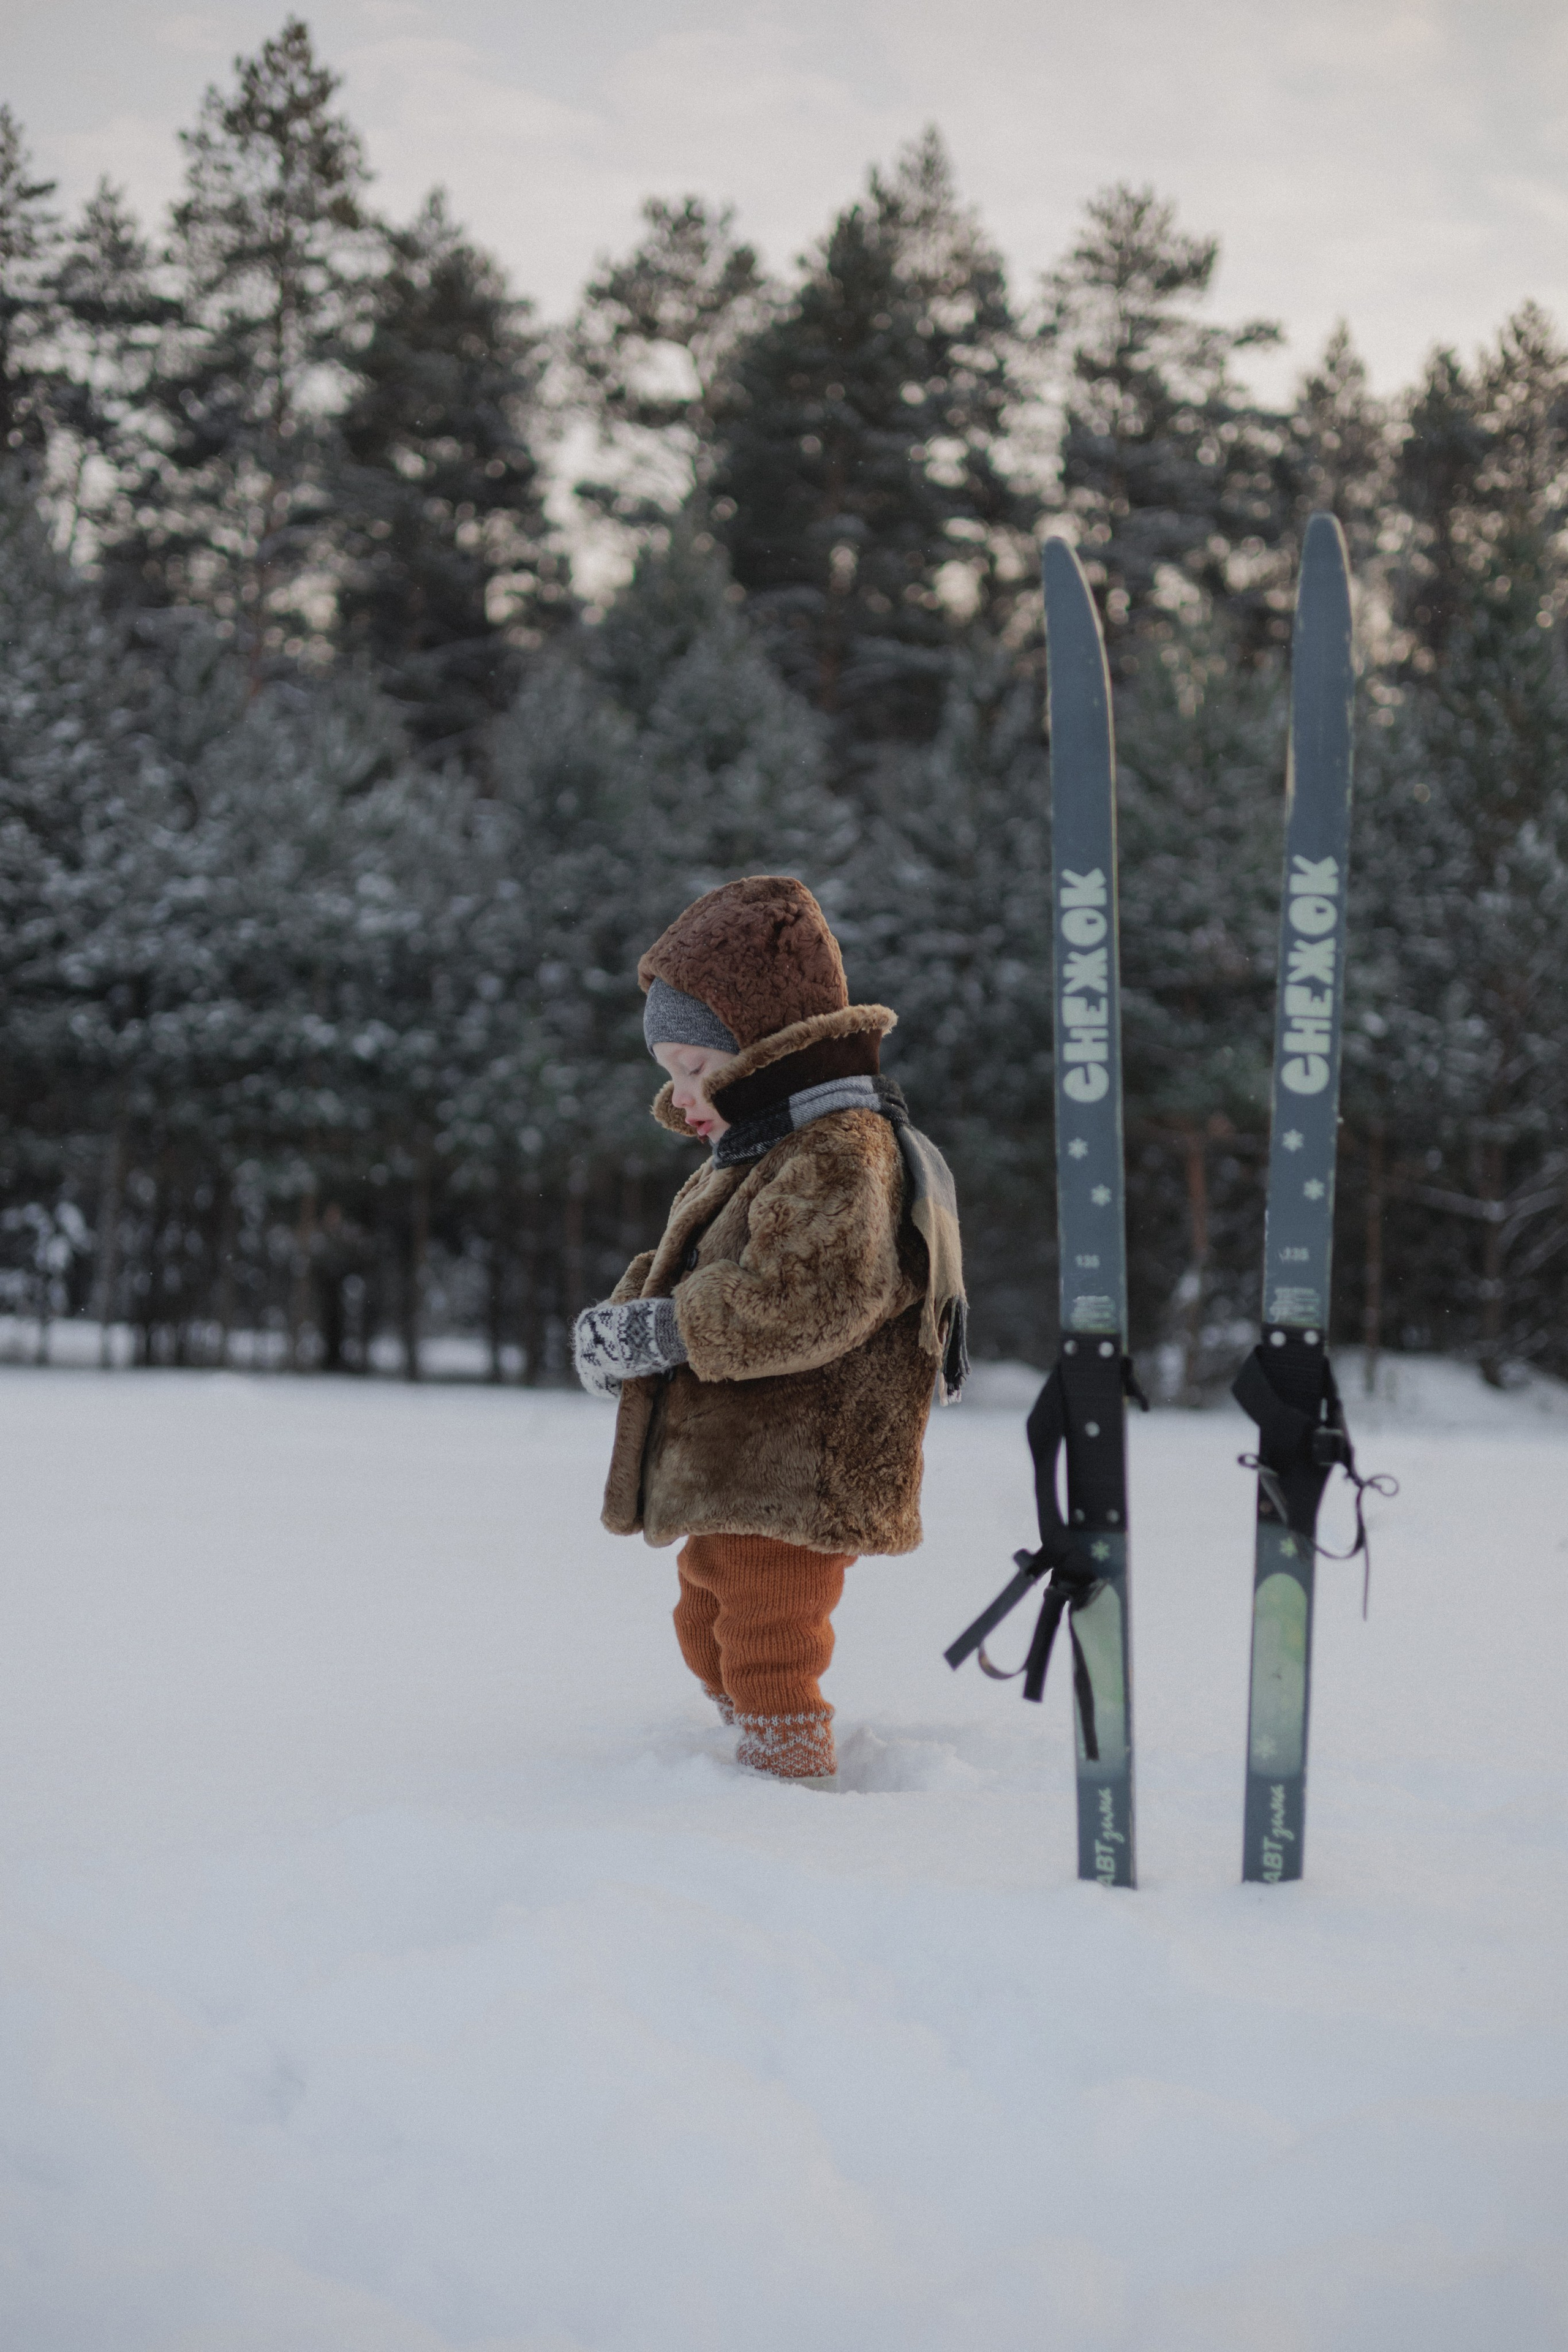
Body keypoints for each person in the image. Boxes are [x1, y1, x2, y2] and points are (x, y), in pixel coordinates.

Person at [572, 875, 966, 1787]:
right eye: (670, 1073)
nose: (683, 1095)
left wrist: (669, 1332)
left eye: (696, 1070)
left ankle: (784, 1771)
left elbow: (814, 1298)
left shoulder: (840, 1146)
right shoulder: (757, 1147)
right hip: (736, 1468)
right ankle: (744, 1740)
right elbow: (697, 1263)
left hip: (798, 1466)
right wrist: (630, 1319)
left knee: (768, 1630)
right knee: (706, 1623)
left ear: (763, 1047)